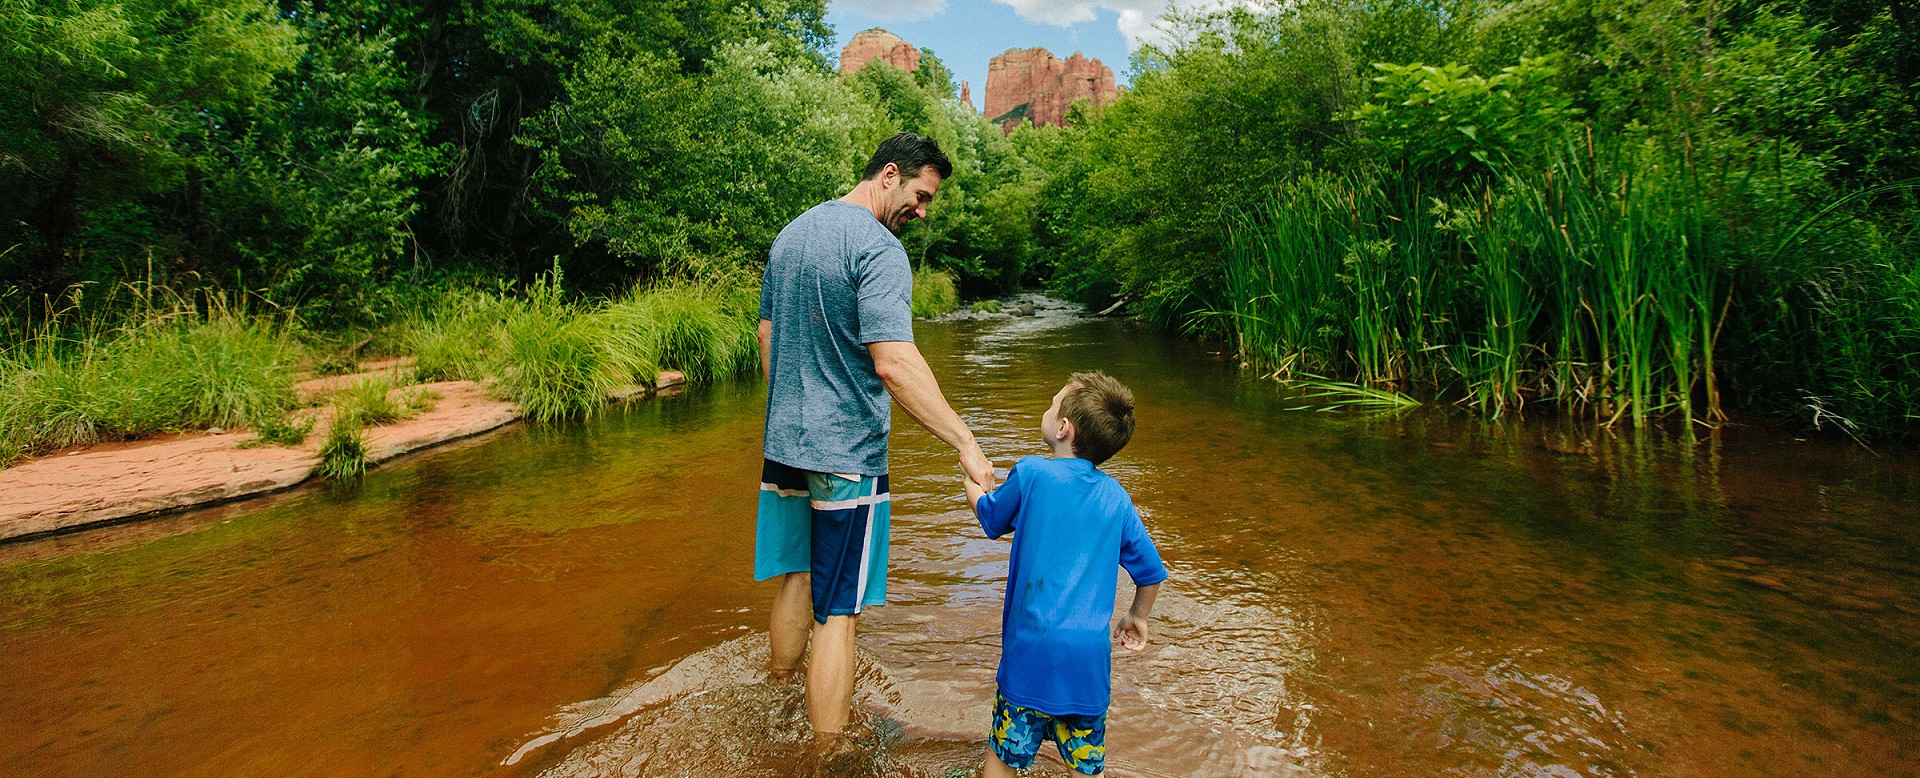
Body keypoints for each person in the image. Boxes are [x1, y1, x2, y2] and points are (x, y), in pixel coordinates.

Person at [755, 132, 997, 742]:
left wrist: (788, 410)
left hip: (786, 444)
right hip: (845, 454)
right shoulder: (879, 250)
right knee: (839, 611)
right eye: (920, 195)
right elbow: (893, 361)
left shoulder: (794, 233)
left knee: (797, 575)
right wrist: (965, 441)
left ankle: (778, 699)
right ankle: (828, 753)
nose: (921, 211)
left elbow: (766, 334)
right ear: (889, 174)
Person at [963, 371, 1167, 776]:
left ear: (1062, 427)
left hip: (1029, 658)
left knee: (1003, 759)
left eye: (1052, 403)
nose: (1048, 407)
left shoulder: (1032, 474)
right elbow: (1151, 573)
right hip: (1086, 668)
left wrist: (973, 479)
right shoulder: (1117, 498)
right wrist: (1137, 617)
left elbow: (990, 517)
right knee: (1085, 768)